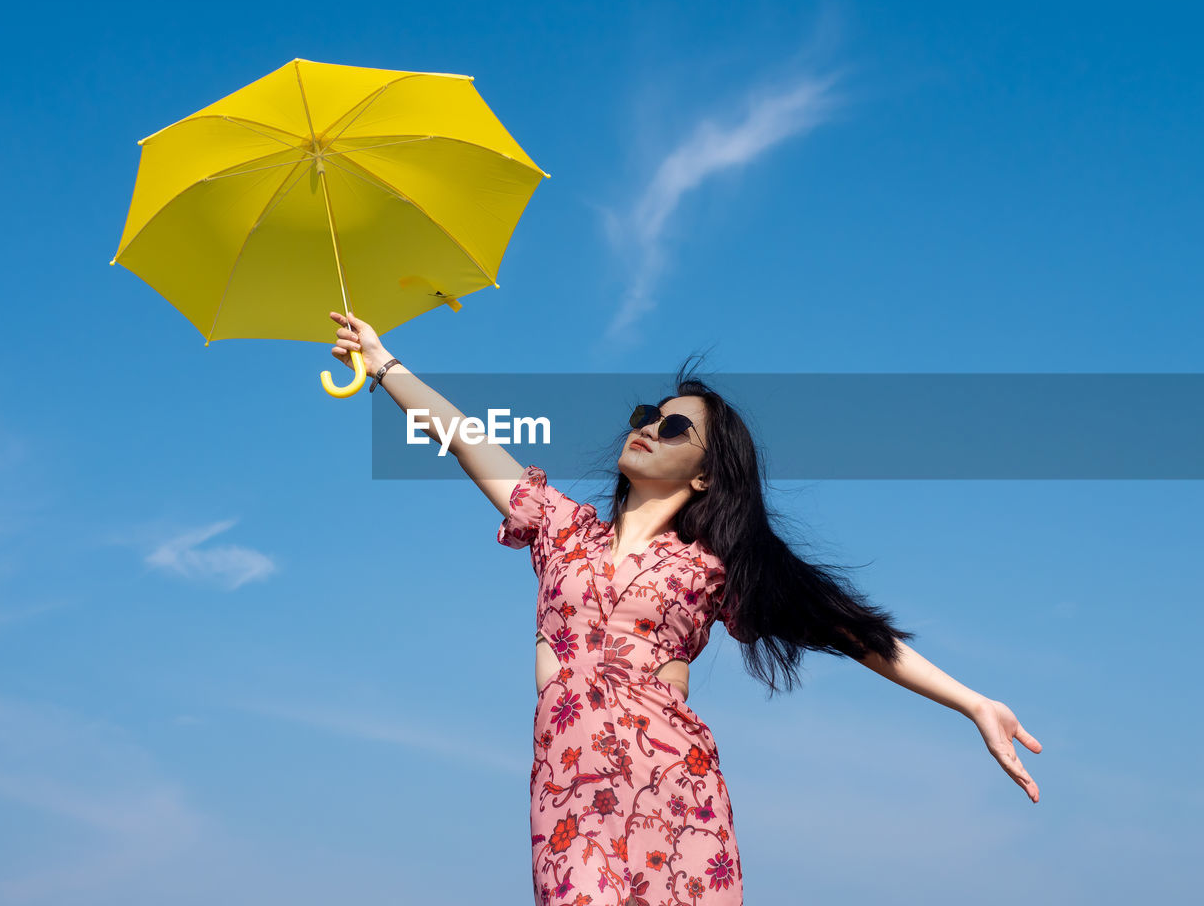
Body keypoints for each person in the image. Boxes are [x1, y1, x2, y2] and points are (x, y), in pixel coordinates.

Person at [329, 309, 1043, 905]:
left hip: (678, 793)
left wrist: (972, 701)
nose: (648, 427)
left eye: (676, 428)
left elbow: (849, 631)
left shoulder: (713, 569)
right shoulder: (562, 528)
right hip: (571, 797)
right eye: (648, 415)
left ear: (705, 475)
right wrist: (384, 364)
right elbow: (466, 438)